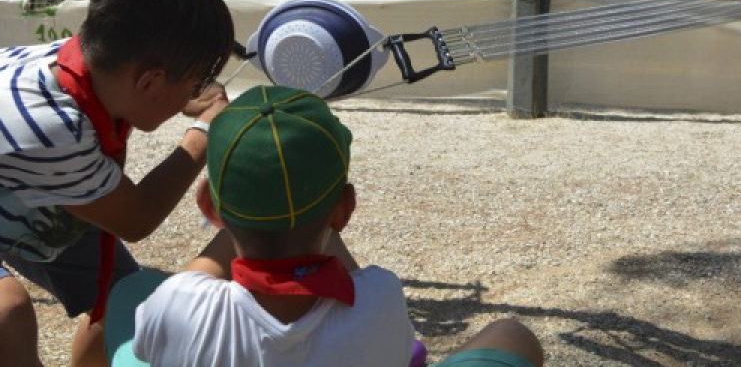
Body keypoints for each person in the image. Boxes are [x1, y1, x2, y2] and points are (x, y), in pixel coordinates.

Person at [106, 85, 544, 367]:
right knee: (511, 335)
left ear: (209, 206)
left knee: (129, 308)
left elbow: (195, 282)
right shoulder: (379, 297)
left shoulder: (179, 305)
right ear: (344, 211)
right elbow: (351, 281)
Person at [0, 0, 235, 367]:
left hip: (23, 189)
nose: (197, 94)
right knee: (7, 316)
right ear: (149, 82)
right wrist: (204, 132)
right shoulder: (54, 128)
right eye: (193, 83)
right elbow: (136, 218)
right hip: (22, 181)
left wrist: (177, 95)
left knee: (122, 301)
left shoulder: (79, 65)